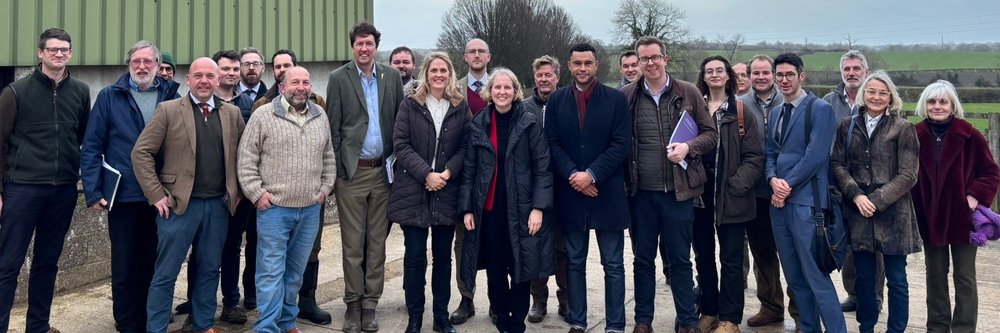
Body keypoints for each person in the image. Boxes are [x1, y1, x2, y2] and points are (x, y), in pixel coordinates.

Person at [132, 57, 245, 333]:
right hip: (178, 206)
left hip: (217, 206)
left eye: (210, 76)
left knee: (209, 269)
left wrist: (238, 192)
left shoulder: (232, 114)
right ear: (188, 80)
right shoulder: (168, 110)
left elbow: (244, 156)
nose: (204, 81)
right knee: (166, 272)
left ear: (218, 80)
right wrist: (156, 194)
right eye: (198, 75)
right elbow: (141, 153)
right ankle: (156, 327)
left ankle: (203, 324)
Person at [82, 40, 180, 333]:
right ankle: (127, 322)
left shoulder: (172, 95)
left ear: (158, 65)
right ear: (128, 65)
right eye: (136, 61)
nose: (142, 66)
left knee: (155, 261)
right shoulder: (110, 96)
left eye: (148, 61)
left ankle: (152, 317)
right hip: (124, 195)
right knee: (125, 264)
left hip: (162, 195)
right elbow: (92, 146)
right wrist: (93, 191)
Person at [621, 37, 717, 333]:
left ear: (666, 59)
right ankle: (643, 321)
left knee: (680, 260)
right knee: (643, 260)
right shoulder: (627, 96)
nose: (650, 63)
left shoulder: (688, 92)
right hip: (641, 194)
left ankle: (687, 321)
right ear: (638, 62)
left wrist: (689, 147)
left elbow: (711, 134)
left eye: (655, 57)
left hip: (679, 193)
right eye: (644, 59)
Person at [0, 27, 91, 333]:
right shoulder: (15, 92)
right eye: (53, 49)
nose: (59, 54)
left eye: (64, 49)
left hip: (63, 190)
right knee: (8, 264)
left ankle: (38, 326)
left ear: (71, 54)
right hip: (22, 189)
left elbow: (82, 137)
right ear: (40, 53)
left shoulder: (81, 92)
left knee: (47, 263)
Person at [238, 65, 336, 333]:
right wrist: (257, 195)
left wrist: (325, 189)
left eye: (305, 82)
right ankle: (267, 327)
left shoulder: (320, 115)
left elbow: (328, 157)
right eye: (295, 82)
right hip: (274, 210)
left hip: (309, 210)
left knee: (295, 273)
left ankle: (286, 321)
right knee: (271, 272)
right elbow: (246, 161)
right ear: (282, 87)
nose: (301, 87)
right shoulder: (263, 115)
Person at [460, 67, 554, 333]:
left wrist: (538, 208)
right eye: (497, 87)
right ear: (490, 92)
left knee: (521, 267)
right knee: (496, 269)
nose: (502, 92)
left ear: (515, 91)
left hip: (523, 209)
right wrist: (467, 208)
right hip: (490, 210)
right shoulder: (479, 123)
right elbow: (469, 170)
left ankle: (517, 322)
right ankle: (502, 320)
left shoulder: (529, 123)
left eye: (507, 87)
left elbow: (543, 169)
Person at [325, 21, 405, 333]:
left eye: (369, 43)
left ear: (376, 47)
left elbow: (400, 122)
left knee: (377, 242)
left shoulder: (391, 76)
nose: (364, 48)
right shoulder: (338, 78)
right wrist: (337, 173)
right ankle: (353, 303)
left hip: (383, 172)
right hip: (352, 173)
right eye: (359, 43)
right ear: (352, 47)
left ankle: (370, 303)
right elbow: (333, 128)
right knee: (353, 243)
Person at [546, 42, 631, 333]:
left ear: (597, 65)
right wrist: (574, 176)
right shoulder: (556, 100)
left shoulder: (616, 99)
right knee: (574, 262)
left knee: (613, 264)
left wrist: (592, 175)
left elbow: (621, 144)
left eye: (588, 63)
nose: (582, 68)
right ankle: (578, 321)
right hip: (571, 194)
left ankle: (615, 325)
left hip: (607, 193)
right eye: (577, 63)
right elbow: (552, 143)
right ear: (569, 66)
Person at [830, 70, 920, 333]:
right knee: (864, 278)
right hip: (858, 212)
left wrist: (876, 200)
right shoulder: (846, 126)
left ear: (891, 97)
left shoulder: (903, 129)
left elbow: (908, 174)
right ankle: (866, 326)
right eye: (871, 91)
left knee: (897, 278)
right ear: (863, 94)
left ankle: (896, 329)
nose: (876, 97)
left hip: (894, 213)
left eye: (883, 93)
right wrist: (856, 195)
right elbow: (837, 164)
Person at [389, 52, 470, 333]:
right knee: (414, 258)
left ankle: (440, 317)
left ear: (450, 74)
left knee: (443, 258)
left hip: (446, 189)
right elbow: (400, 144)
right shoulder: (410, 104)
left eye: (443, 70)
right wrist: (427, 174)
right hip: (413, 188)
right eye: (434, 70)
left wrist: (446, 173)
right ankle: (415, 318)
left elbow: (466, 145)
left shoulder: (460, 106)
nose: (438, 75)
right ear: (425, 74)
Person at [765, 53, 846, 333]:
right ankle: (809, 327)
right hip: (779, 205)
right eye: (779, 75)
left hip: (807, 204)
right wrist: (772, 180)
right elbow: (770, 152)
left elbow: (815, 156)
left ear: (801, 76)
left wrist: (785, 186)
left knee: (816, 276)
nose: (784, 80)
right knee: (794, 276)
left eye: (790, 74)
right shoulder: (776, 112)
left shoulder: (819, 109)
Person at [911, 80, 1000, 333]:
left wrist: (974, 195)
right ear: (925, 105)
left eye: (943, 101)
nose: (937, 106)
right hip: (930, 217)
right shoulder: (915, 135)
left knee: (965, 276)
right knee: (935, 274)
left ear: (952, 106)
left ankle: (964, 328)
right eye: (932, 101)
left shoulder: (970, 135)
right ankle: (937, 327)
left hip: (963, 218)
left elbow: (991, 172)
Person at [691, 55, 764, 333]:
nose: (714, 74)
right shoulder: (694, 109)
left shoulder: (741, 111)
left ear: (728, 75)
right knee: (703, 257)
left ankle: (730, 319)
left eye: (719, 70)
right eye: (709, 70)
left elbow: (755, 156)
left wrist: (737, 184)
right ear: (703, 76)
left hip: (732, 196)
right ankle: (709, 311)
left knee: (731, 260)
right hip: (699, 195)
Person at [737, 54, 799, 328]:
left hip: (789, 190)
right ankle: (771, 306)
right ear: (749, 76)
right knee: (762, 253)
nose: (761, 77)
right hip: (756, 192)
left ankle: (801, 312)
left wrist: (785, 184)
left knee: (794, 254)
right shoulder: (740, 104)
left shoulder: (789, 100)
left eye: (765, 72)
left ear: (773, 74)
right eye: (756, 73)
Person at [823, 51, 884, 313]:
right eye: (847, 69)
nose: (851, 73)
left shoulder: (876, 99)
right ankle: (854, 293)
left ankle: (874, 296)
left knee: (872, 243)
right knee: (847, 241)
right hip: (838, 181)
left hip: (870, 183)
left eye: (856, 68)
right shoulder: (828, 102)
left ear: (866, 71)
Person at [449, 37, 493, 325]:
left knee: (497, 238)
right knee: (464, 241)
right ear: (465, 57)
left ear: (489, 57)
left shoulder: (501, 86)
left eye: (481, 51)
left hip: (496, 175)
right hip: (463, 175)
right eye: (471, 51)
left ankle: (498, 299)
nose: (476, 55)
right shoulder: (454, 90)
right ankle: (466, 298)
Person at [524, 55, 568, 324]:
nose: (543, 79)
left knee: (564, 248)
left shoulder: (568, 103)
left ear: (557, 77)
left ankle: (567, 299)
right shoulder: (524, 108)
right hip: (533, 189)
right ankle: (538, 300)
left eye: (548, 74)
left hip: (564, 187)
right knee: (536, 246)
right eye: (539, 75)